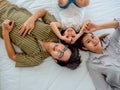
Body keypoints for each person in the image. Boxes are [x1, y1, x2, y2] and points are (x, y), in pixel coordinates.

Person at [0, 0, 81, 69]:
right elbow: (44, 12)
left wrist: (5, 32)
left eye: (60, 54)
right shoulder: (55, 31)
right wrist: (31, 20)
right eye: (64, 49)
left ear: (55, 60)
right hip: (5, 6)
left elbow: (13, 56)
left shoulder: (36, 59)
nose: (59, 49)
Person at [76, 18, 120, 89]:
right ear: (85, 48)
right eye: (88, 41)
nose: (94, 41)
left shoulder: (110, 40)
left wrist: (98, 26)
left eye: (92, 36)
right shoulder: (93, 64)